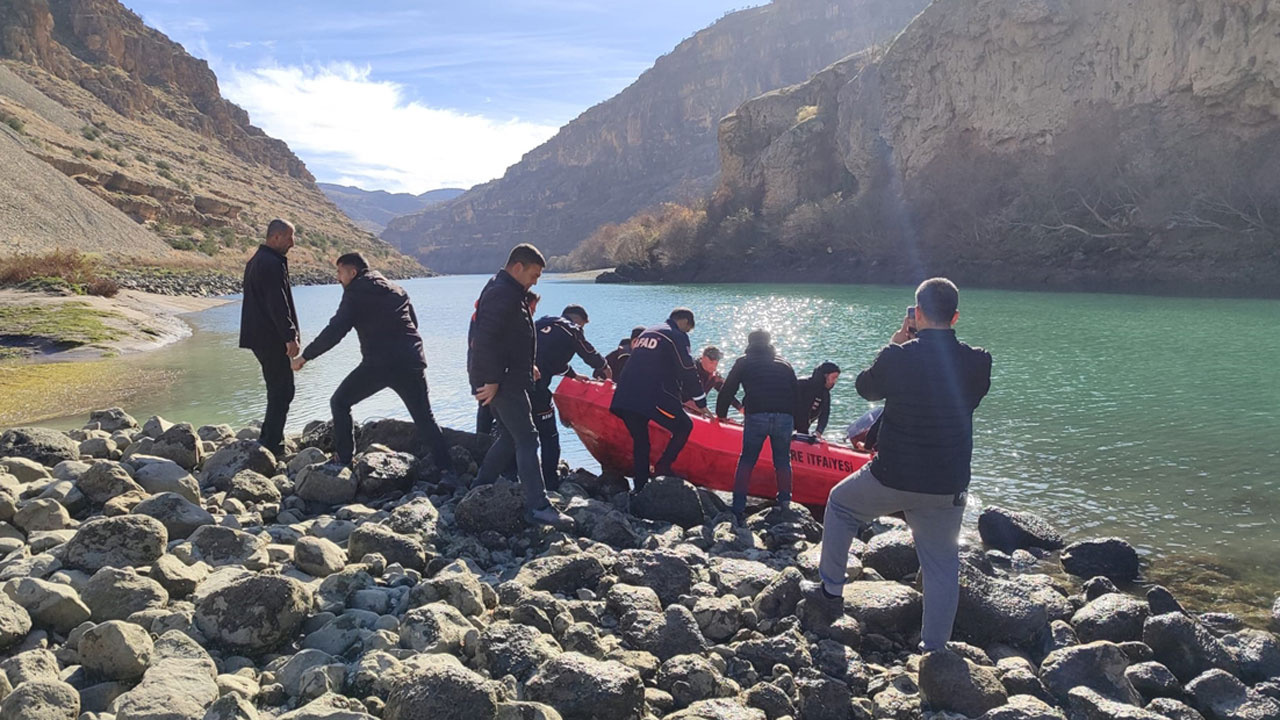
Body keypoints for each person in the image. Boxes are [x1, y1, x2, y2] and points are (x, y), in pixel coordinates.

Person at [804, 278, 992, 654]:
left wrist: (896, 344)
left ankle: (830, 593)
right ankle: (934, 651)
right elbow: (969, 398)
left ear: (916, 315)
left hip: (892, 475)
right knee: (941, 564)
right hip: (946, 483)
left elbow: (865, 389)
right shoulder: (979, 361)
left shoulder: (898, 356)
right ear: (955, 317)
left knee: (840, 504)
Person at [291, 253, 453, 477]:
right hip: (411, 361)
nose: (338, 278)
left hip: (378, 365)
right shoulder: (396, 289)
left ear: (353, 272)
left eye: (339, 272)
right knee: (425, 417)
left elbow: (335, 331)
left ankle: (344, 458)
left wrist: (304, 357)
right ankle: (447, 468)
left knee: (339, 402)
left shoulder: (355, 293)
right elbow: (413, 324)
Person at [469, 244, 573, 529]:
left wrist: (528, 367)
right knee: (528, 439)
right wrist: (491, 381)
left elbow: (509, 339)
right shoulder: (502, 294)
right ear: (518, 267)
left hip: (506, 378)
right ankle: (538, 506)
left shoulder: (504, 290)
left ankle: (480, 486)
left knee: (509, 437)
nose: (536, 280)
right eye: (534, 274)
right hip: (503, 382)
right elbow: (486, 340)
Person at [610, 308, 707, 492]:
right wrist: (700, 402)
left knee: (641, 442)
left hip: (624, 395)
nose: (687, 333)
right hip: (650, 396)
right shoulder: (675, 335)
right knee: (684, 426)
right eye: (688, 329)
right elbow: (687, 369)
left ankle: (640, 488)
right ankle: (663, 466)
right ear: (685, 322)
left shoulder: (650, 331)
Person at [716, 330, 798, 524]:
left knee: (747, 460)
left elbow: (728, 389)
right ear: (769, 343)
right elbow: (796, 394)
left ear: (749, 343)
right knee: (782, 461)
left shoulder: (743, 362)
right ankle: (785, 502)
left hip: (757, 415)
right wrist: (797, 423)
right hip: (784, 416)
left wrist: (721, 415)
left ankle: (738, 508)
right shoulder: (784, 363)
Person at [239, 219, 300, 456]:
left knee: (279, 388)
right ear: (275, 237)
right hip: (270, 337)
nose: (292, 243)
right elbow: (277, 303)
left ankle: (270, 437)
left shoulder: (257, 260)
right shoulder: (271, 263)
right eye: (289, 237)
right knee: (282, 389)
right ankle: (272, 444)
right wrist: (289, 336)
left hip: (260, 336)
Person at [533, 304, 609, 488]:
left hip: (513, 384)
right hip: (537, 387)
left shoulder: (540, 323)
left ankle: (510, 473)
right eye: (582, 326)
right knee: (549, 435)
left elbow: (551, 359)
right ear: (577, 320)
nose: (581, 329)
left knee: (517, 432)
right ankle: (550, 481)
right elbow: (588, 353)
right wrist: (604, 366)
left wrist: (573, 375)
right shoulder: (571, 328)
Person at [477, 291, 540, 436]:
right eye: (532, 310)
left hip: (486, 374)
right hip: (498, 378)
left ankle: (482, 443)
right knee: (524, 436)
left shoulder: (493, 316)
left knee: (486, 412)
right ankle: (484, 445)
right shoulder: (511, 321)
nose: (533, 314)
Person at [795, 362, 841, 437]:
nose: (834, 382)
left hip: (803, 427)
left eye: (836, 378)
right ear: (825, 376)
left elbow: (825, 415)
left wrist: (819, 431)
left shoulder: (825, 394)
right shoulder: (801, 385)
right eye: (833, 378)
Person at [696, 346, 742, 412]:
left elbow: (726, 392)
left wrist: (740, 408)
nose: (714, 367)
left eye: (716, 363)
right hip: (682, 406)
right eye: (711, 363)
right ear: (703, 358)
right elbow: (684, 399)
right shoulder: (692, 370)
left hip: (698, 409)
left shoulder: (714, 376)